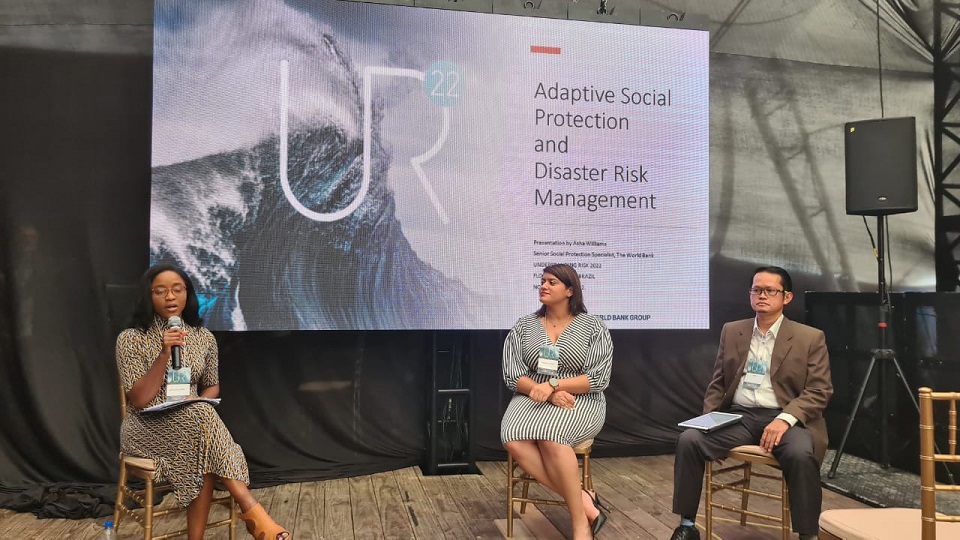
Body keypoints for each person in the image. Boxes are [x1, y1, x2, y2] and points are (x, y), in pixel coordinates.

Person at [116, 263, 289, 540]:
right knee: (202, 429)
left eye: (177, 289)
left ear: (188, 294)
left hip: (191, 425)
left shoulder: (203, 338)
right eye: (160, 291)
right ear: (148, 296)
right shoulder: (131, 339)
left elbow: (212, 386)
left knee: (200, 432)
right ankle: (251, 508)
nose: (170, 297)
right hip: (145, 427)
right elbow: (138, 400)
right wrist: (164, 353)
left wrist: (194, 401)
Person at [670, 266, 833, 540]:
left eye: (770, 290)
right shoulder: (733, 330)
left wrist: (784, 420)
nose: (762, 295)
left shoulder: (809, 337)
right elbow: (718, 383)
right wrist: (710, 420)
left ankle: (808, 535)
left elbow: (820, 390)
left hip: (786, 418)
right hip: (740, 417)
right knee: (690, 440)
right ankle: (686, 525)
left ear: (787, 297)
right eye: (757, 290)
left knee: (800, 455)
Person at [501, 263, 614, 539]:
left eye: (552, 282)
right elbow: (512, 374)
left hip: (580, 399)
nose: (544, 286)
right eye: (543, 281)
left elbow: (598, 377)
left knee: (551, 437)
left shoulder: (593, 327)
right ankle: (585, 500)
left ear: (570, 290)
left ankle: (579, 523)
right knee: (512, 437)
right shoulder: (524, 326)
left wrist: (555, 385)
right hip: (532, 396)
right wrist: (547, 392)